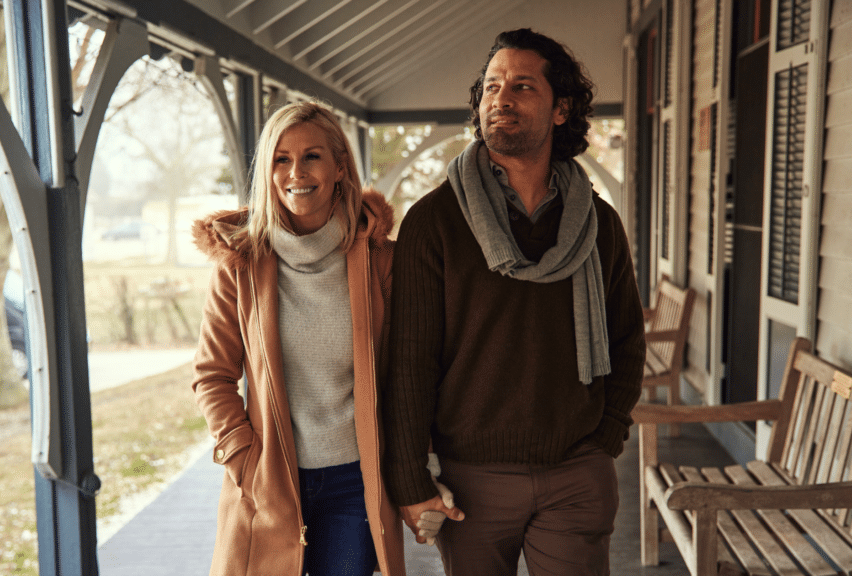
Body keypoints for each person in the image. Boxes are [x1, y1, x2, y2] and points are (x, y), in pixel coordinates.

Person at [382, 28, 646, 576]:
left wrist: (605, 439)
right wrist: (409, 479)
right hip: (471, 481)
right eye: (492, 87)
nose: (501, 98)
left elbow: (626, 338)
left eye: (522, 86)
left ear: (560, 110)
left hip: (577, 471)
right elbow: (409, 362)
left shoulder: (597, 223)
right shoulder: (434, 221)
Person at [190, 101, 405, 576]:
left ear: (339, 167)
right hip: (269, 478)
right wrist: (243, 457)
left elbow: (407, 370)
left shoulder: (380, 260)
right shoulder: (239, 266)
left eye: (311, 157)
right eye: (280, 159)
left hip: (355, 482)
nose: (295, 172)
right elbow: (212, 375)